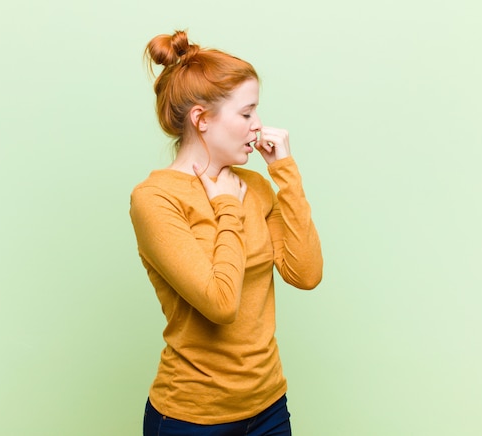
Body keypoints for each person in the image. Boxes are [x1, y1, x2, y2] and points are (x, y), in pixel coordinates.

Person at [130, 29, 323, 436]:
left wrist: (284, 173)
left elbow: (305, 275)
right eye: (247, 113)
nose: (259, 126)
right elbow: (220, 303)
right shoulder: (155, 199)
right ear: (201, 119)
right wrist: (226, 207)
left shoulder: (254, 186)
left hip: (269, 406)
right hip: (191, 419)